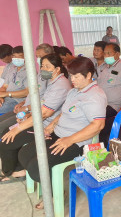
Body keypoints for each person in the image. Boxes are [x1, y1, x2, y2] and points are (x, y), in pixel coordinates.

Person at [18, 57, 107, 208]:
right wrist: (50, 127)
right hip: (58, 134)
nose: (72, 79)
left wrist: (70, 140)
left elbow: (98, 125)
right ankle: (48, 185)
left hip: (76, 142)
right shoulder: (74, 91)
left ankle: (56, 195)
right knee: (25, 153)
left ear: (89, 75)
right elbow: (63, 113)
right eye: (71, 75)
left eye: (76, 76)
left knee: (36, 166)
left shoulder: (95, 96)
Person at [0, 53, 71, 183]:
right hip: (39, 121)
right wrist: (28, 113)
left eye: (48, 67)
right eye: (42, 66)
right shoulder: (51, 81)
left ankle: (13, 172)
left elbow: (45, 113)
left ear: (57, 69)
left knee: (7, 139)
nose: (43, 69)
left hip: (46, 127)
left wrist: (18, 128)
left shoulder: (61, 85)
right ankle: (15, 169)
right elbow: (41, 104)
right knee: (6, 132)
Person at [97, 43, 121, 143]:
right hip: (101, 103)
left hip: (114, 106)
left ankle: (102, 148)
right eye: (105, 53)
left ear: (117, 54)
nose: (106, 56)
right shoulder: (104, 68)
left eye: (109, 53)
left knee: (97, 121)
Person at [0, 46, 28, 114]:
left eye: (20, 56)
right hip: (6, 99)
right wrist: (0, 97)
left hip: (17, 101)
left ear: (26, 57)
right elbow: (4, 86)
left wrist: (7, 94)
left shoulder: (29, 71)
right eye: (14, 56)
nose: (17, 59)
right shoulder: (12, 69)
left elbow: (27, 92)